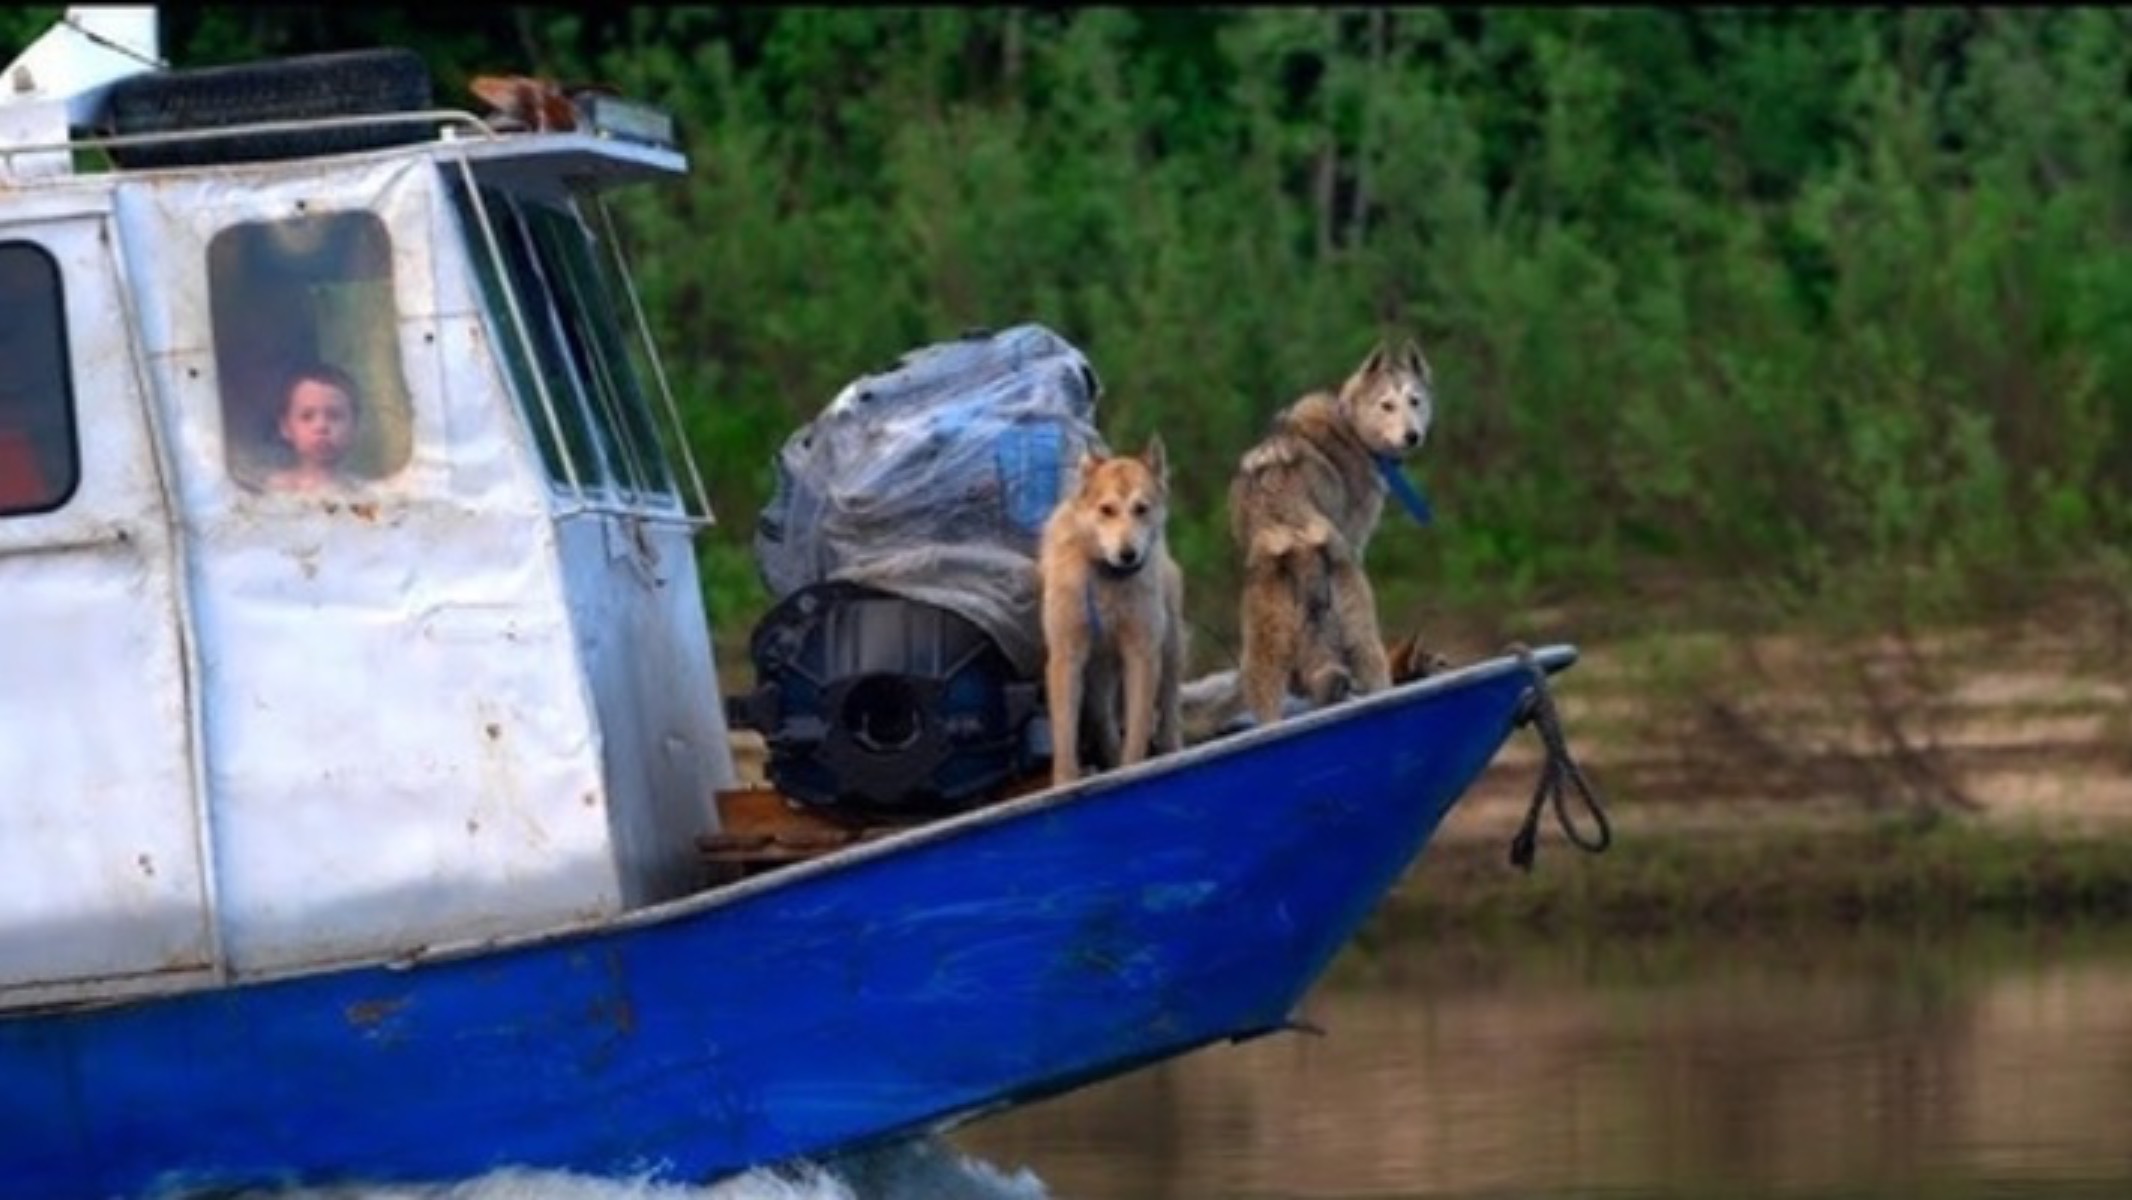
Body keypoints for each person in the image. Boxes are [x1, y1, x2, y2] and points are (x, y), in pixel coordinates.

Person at [262, 362, 363, 494]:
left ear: (354, 426)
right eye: (307, 417)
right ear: (286, 427)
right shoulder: (275, 489)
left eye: (334, 416)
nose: (321, 426)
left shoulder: (362, 493)